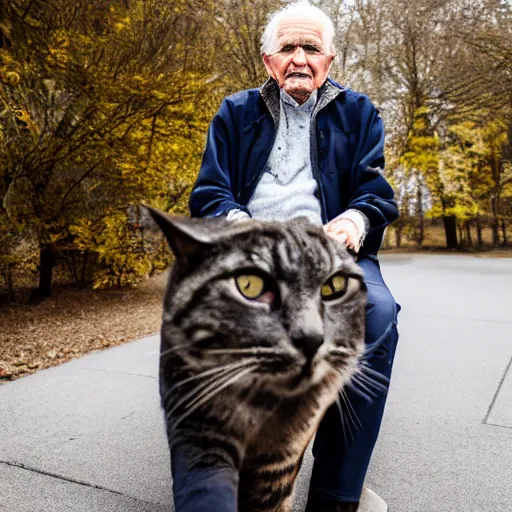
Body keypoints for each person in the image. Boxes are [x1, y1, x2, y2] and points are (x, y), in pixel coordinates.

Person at [184, 2, 400, 511]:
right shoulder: (235, 112)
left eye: (310, 48)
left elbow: (375, 194)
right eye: (287, 48)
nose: (299, 58)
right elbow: (210, 195)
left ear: (329, 60)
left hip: (332, 253)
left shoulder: (360, 112)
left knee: (378, 315)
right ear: (268, 60)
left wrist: (353, 222)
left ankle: (335, 494)